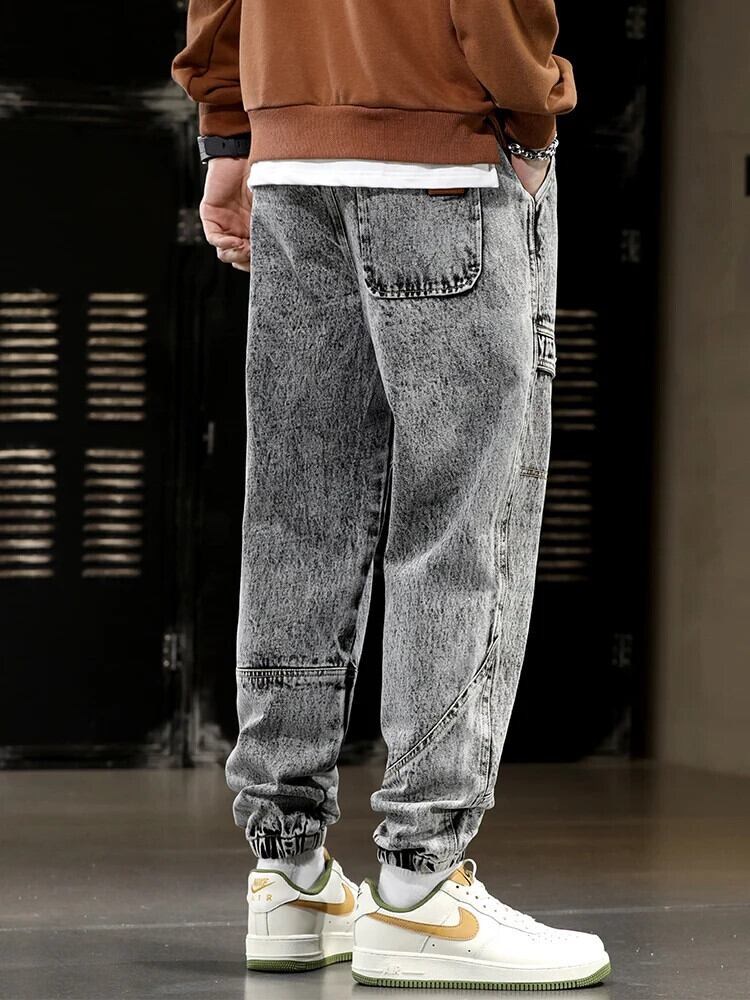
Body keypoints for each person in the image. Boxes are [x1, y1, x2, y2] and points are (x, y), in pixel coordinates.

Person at [172, 0, 611, 989]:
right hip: (442, 143)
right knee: (462, 518)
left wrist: (230, 131)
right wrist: (531, 111)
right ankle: (421, 885)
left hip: (290, 147)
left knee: (299, 514)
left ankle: (288, 874)